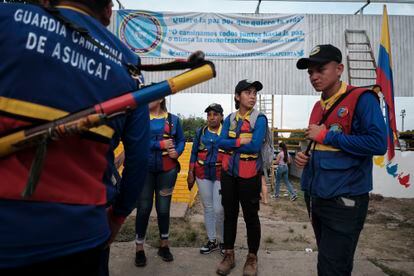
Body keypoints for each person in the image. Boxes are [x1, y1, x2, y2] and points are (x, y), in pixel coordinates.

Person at [0, 1, 150, 275]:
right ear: (107, 12)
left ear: (46, 1)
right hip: (82, 238)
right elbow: (139, 158)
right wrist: (117, 216)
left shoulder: (6, 19)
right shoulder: (128, 64)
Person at [294, 44, 387, 276]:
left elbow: (378, 144)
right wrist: (305, 156)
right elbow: (321, 145)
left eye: (320, 69)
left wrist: (326, 135)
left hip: (344, 199)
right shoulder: (318, 106)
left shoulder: (362, 99)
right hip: (316, 196)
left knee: (332, 267)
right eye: (310, 72)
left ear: (339, 69)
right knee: (330, 260)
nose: (314, 77)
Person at [216, 80, 267, 276]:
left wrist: (231, 144)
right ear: (237, 97)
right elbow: (220, 142)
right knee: (229, 214)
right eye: (248, 92)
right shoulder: (229, 118)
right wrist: (239, 140)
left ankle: (252, 258)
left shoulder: (260, 119)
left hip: (250, 174)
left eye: (254, 93)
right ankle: (229, 255)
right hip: (229, 173)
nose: (253, 96)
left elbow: (254, 146)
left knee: (251, 217)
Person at [134, 98, 185, 267]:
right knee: (143, 209)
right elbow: (136, 142)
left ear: (161, 98)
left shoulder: (174, 120)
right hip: (144, 170)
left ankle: (164, 246)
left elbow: (181, 140)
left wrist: (177, 152)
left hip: (167, 171)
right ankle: (139, 248)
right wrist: (159, 144)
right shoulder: (140, 118)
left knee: (163, 210)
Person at [187, 103, 225, 255]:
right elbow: (194, 152)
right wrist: (191, 172)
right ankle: (212, 240)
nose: (211, 117)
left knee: (219, 209)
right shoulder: (200, 132)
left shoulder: (227, 132)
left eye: (215, 114)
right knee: (208, 208)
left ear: (221, 116)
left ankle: (223, 241)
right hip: (202, 174)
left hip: (220, 174)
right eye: (209, 115)